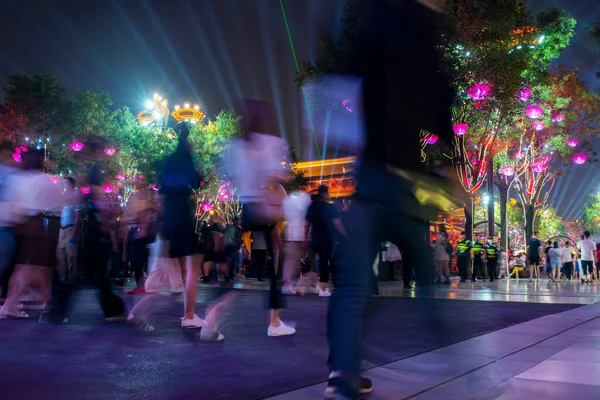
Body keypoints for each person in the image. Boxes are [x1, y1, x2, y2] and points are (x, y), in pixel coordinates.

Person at [229, 99, 295, 337]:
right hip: (263, 208)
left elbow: (234, 176)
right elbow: (273, 177)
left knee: (237, 258)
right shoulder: (272, 143)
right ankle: (275, 322)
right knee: (276, 264)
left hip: (246, 207)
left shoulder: (236, 146)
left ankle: (213, 315)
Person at [0, 149, 65, 319]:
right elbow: (56, 201)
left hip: (19, 225)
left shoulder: (14, 178)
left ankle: (44, 301)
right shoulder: (41, 179)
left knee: (32, 267)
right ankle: (9, 306)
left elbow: (11, 203)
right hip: (34, 225)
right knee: (29, 268)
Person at [160, 123, 207, 330]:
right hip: (181, 213)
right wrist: (201, 175)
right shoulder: (185, 158)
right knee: (192, 265)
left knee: (171, 268)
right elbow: (196, 181)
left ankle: (140, 311)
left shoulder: (169, 161)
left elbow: (161, 185)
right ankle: (189, 315)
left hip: (168, 216)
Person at [305, 185, 349, 297]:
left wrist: (304, 237)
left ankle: (313, 284)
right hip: (327, 238)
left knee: (313, 261)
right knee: (325, 262)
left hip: (314, 237)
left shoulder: (312, 206)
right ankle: (323, 289)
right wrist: (346, 236)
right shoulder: (330, 207)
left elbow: (306, 224)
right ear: (325, 194)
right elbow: (337, 224)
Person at [0, 140, 21, 304]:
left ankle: (6, 296)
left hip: (9, 223)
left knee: (8, 258)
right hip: (4, 223)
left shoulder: (13, 171)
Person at [124, 177, 153, 294]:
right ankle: (140, 285)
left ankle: (141, 286)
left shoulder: (144, 196)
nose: (136, 182)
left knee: (137, 259)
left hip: (140, 231)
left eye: (139, 180)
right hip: (134, 229)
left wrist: (143, 228)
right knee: (134, 258)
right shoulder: (135, 196)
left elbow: (145, 213)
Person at [282, 190, 312, 295]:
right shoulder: (305, 200)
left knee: (290, 262)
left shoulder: (287, 200)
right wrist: (305, 237)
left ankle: (287, 284)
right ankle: (288, 284)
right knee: (294, 262)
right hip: (298, 236)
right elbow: (306, 221)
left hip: (290, 236)